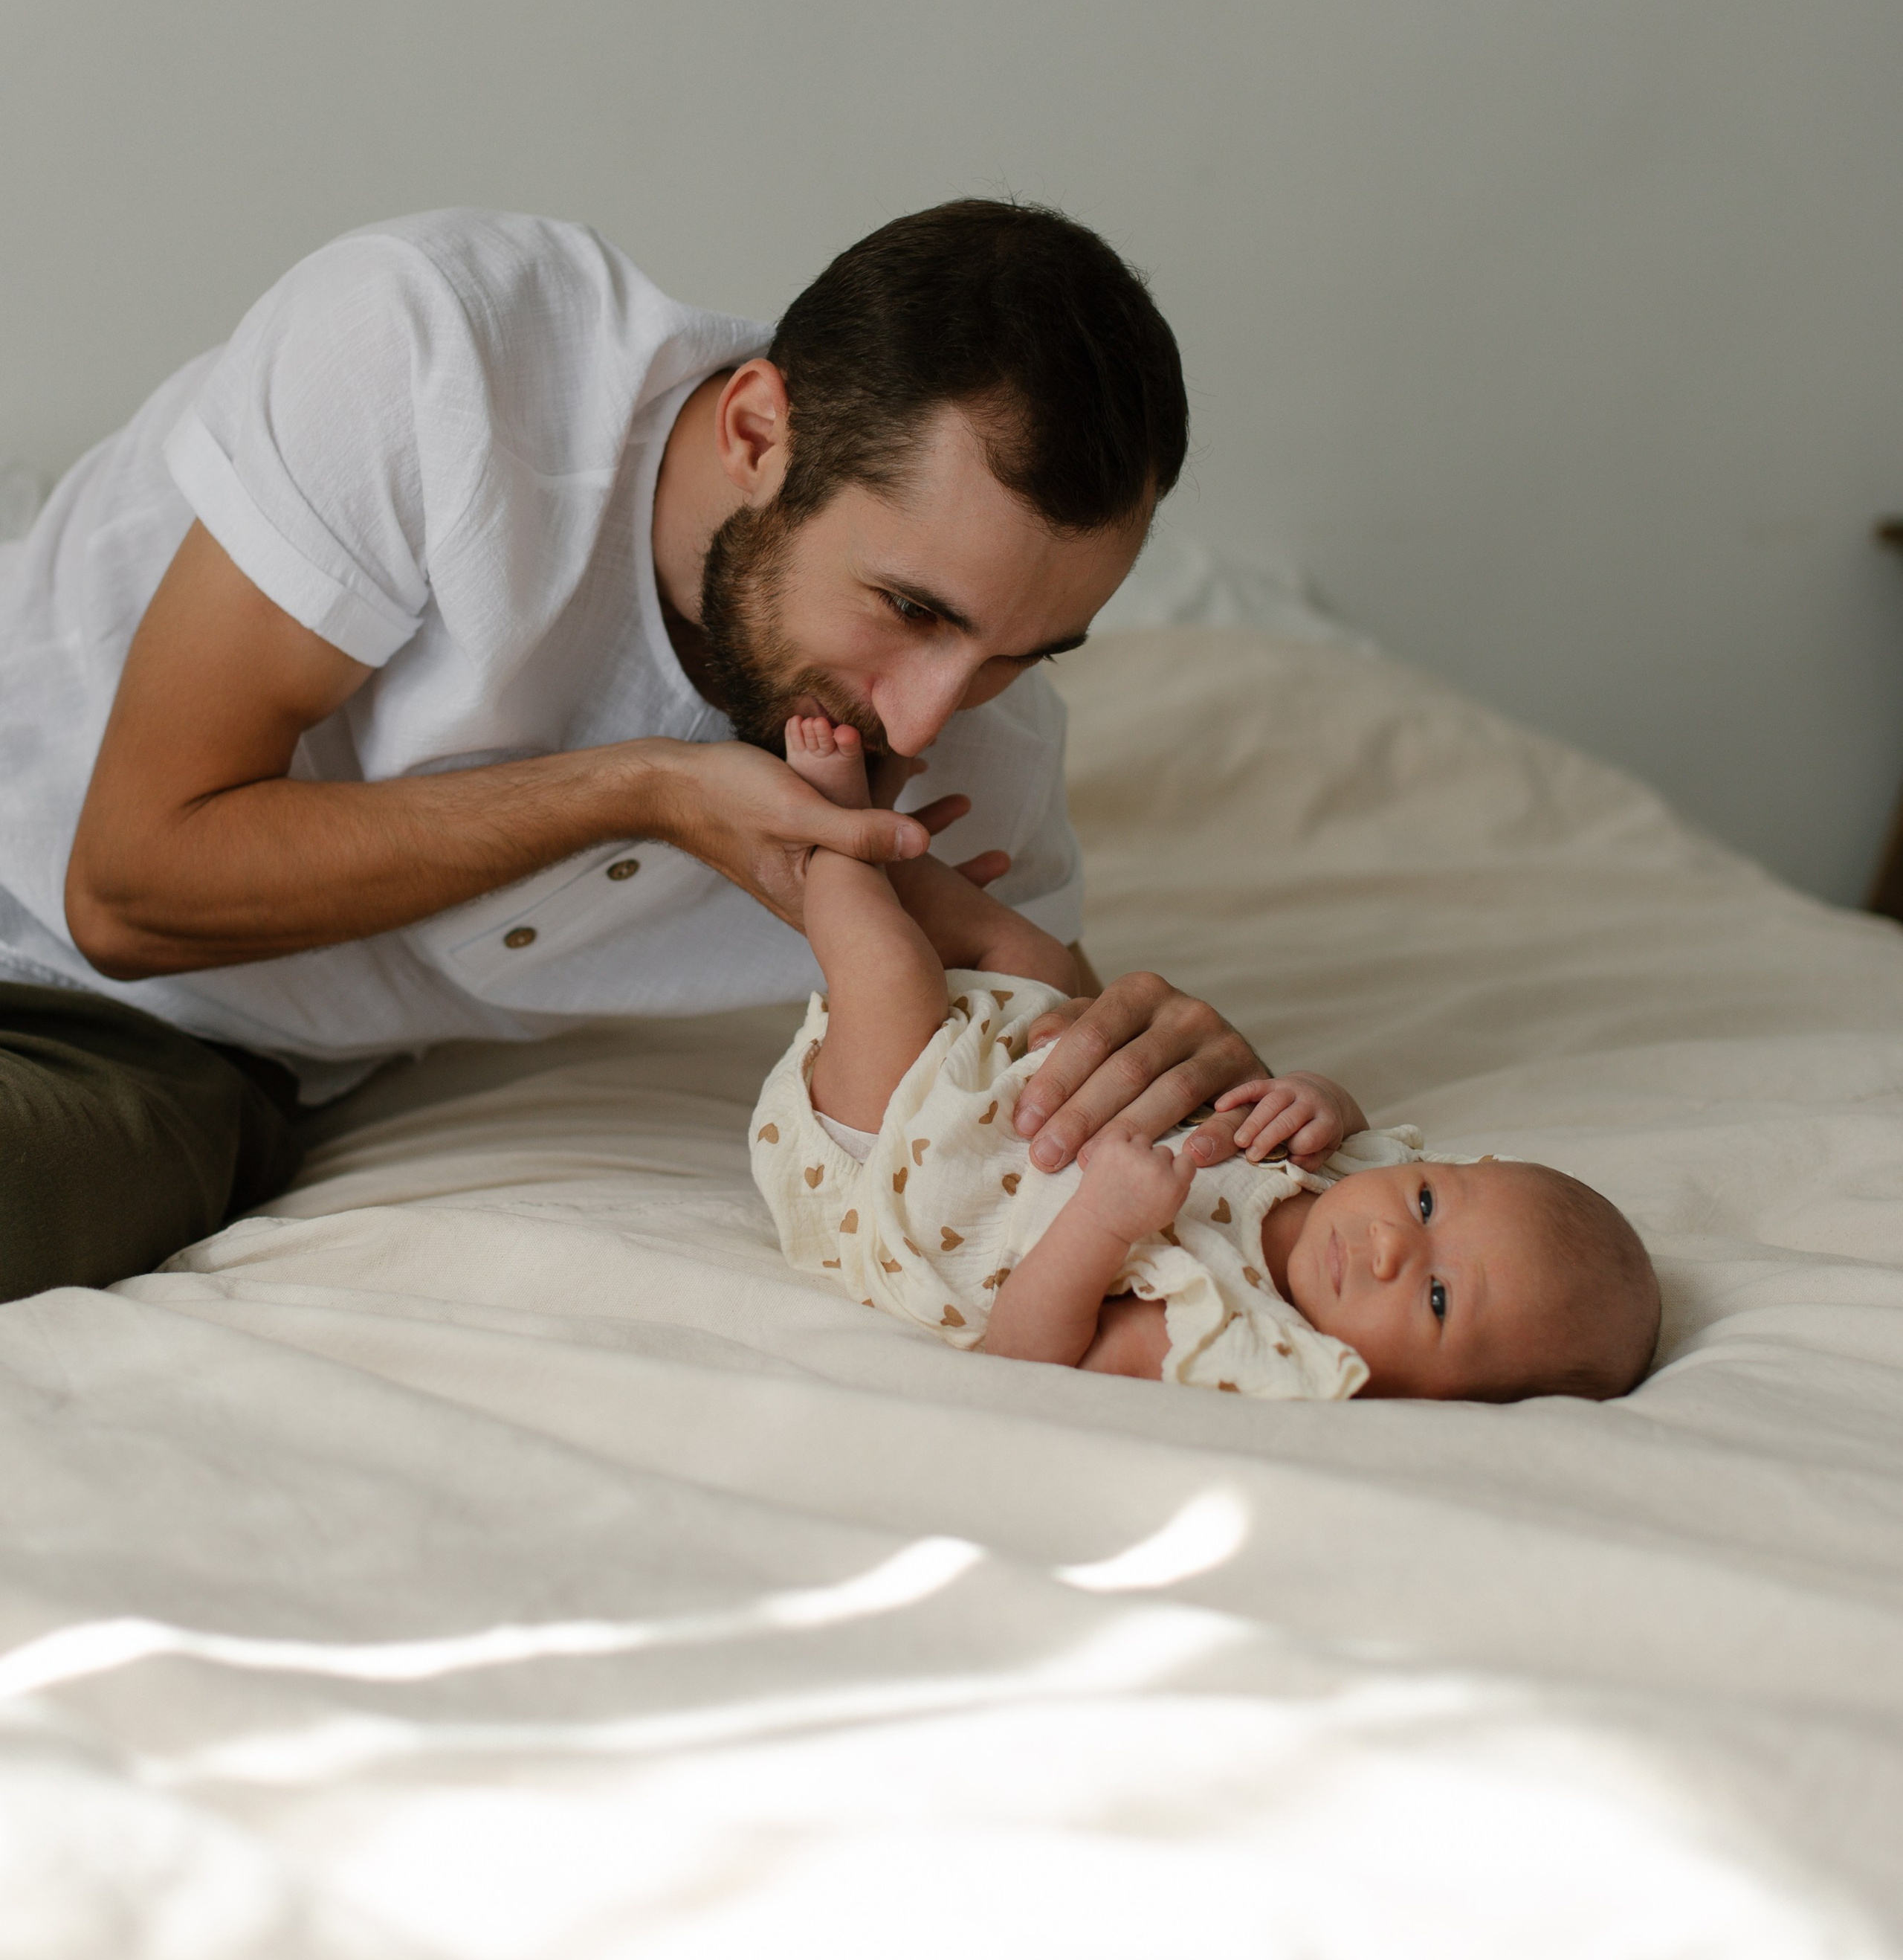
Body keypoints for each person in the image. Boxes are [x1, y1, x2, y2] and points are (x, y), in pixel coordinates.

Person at [0, 198, 1269, 1302]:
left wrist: (1204, 1110)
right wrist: (642, 793)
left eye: (1022, 652)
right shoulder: (434, 356)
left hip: (160, 1050)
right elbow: (123, 882)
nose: (930, 717)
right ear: (759, 433)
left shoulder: (979, 747)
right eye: (914, 610)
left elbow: (1051, 1095)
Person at [750, 715, 1662, 1402]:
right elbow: (1346, 1126)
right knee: (1033, 957)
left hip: (899, 1171)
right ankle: (878, 834)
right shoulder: (1338, 1176)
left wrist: (1103, 1224)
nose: (1388, 1243)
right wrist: (1316, 1098)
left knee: (888, 970)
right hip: (1003, 1080)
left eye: (1434, 1301)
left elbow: (1028, 1358)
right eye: (1426, 1202)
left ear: (1419, 1399)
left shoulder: (1235, 1331)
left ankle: (832, 828)